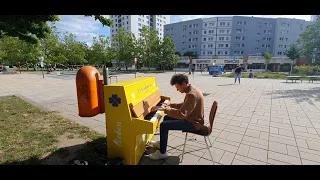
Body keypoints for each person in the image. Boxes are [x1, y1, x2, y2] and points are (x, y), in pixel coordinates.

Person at [148, 74, 204, 160]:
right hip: (191, 118)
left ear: (184, 84)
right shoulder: (191, 91)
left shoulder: (191, 94)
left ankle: (163, 153)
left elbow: (182, 114)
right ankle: (162, 144)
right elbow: (184, 105)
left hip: (194, 123)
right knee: (167, 118)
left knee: (164, 125)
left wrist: (164, 109)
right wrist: (171, 105)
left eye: (177, 87)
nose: (177, 90)